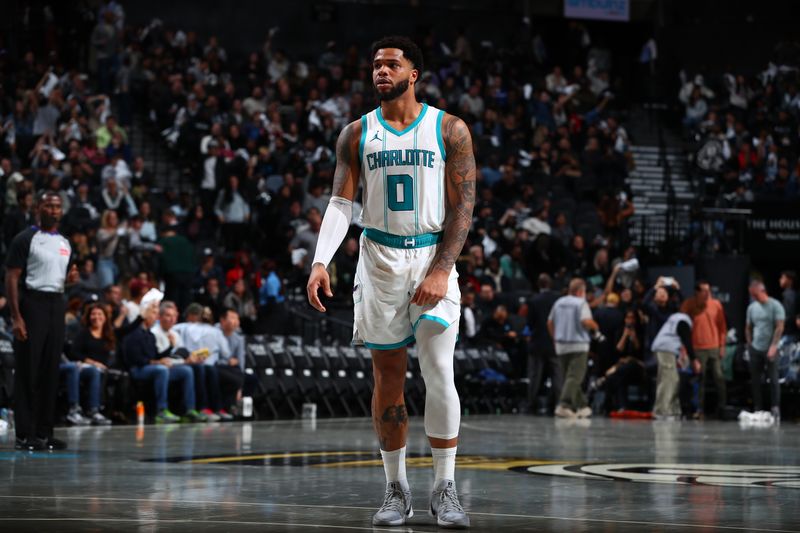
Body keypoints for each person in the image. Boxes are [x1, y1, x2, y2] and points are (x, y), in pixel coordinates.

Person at [306, 36, 475, 528]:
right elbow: (341, 204)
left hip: (429, 257)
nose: (381, 71)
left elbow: (463, 206)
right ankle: (395, 489)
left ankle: (445, 486)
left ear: (413, 73)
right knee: (388, 379)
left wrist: (443, 268)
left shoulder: (450, 129)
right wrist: (321, 260)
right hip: (377, 258)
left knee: (438, 368)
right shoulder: (356, 134)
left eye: (391, 64)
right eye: (376, 65)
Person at [5, 191, 80, 450]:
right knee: (29, 369)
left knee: (50, 370)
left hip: (56, 303)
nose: (54, 210)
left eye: (58, 206)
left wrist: (71, 280)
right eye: (49, 205)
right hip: (32, 303)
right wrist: (16, 316)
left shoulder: (66, 242)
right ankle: (24, 434)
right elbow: (12, 277)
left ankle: (45, 432)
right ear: (38, 207)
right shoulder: (25, 238)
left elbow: (66, 274)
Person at [122, 301, 205, 423]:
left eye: (156, 313)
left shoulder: (149, 334)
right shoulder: (134, 333)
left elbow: (157, 355)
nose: (155, 317)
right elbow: (136, 359)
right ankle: (161, 410)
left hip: (151, 367)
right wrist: (155, 362)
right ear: (144, 315)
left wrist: (170, 348)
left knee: (186, 371)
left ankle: (189, 409)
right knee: (162, 369)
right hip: (138, 369)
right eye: (153, 314)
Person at [547, 278, 603, 419]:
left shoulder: (558, 302)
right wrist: (595, 327)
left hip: (561, 345)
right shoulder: (581, 303)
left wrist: (554, 338)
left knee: (569, 378)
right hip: (578, 345)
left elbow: (549, 322)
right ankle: (564, 405)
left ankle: (582, 406)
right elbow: (585, 321)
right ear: (580, 291)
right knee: (575, 377)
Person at [680, 280, 728, 419]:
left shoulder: (716, 305)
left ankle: (722, 407)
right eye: (704, 290)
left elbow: (722, 327)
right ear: (697, 292)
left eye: (709, 290)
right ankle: (699, 409)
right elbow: (682, 326)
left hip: (714, 347)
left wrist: (722, 345)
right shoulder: (689, 304)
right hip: (697, 348)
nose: (707, 293)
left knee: (719, 377)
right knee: (700, 379)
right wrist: (684, 347)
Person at [63, 303, 115, 426]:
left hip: (103, 368)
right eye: (93, 314)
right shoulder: (84, 333)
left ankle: (94, 411)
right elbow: (74, 353)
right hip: (83, 367)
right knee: (94, 370)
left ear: (105, 317)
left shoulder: (109, 334)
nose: (96, 317)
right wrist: (92, 362)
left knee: (98, 371)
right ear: (88, 317)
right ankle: (79, 409)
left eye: (99, 314)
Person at [745, 281, 785, 420]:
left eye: (755, 294)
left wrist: (773, 346)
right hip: (756, 347)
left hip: (771, 348)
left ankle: (775, 407)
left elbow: (780, 326)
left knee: (773, 378)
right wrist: (750, 345)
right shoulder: (752, 308)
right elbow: (748, 327)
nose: (754, 297)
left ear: (762, 291)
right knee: (755, 380)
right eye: (752, 295)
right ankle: (758, 407)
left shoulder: (775, 305)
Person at [652, 311, 698, 419]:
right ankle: (664, 411)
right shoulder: (684, 321)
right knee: (670, 380)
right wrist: (694, 359)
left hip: (664, 348)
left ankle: (671, 410)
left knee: (667, 379)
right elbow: (687, 341)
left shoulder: (676, 318)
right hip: (666, 349)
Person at [526, 274, 561, 414]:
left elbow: (530, 323)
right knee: (558, 375)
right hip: (554, 342)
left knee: (535, 376)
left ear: (538, 285)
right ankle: (559, 404)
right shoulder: (558, 299)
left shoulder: (534, 300)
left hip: (538, 343)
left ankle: (531, 404)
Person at [779, 271, 797, 338]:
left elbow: (789, 314)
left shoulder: (789, 294)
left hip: (788, 332)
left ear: (789, 280)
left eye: (782, 278)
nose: (780, 280)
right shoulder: (788, 294)